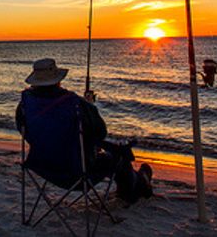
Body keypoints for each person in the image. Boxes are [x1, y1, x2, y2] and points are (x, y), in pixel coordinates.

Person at [15, 58, 153, 203]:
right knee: (119, 156)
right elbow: (100, 133)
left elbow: (26, 133)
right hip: (77, 171)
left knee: (110, 153)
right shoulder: (76, 104)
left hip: (43, 166)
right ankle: (132, 191)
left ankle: (137, 182)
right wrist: (90, 106)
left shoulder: (25, 105)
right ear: (58, 80)